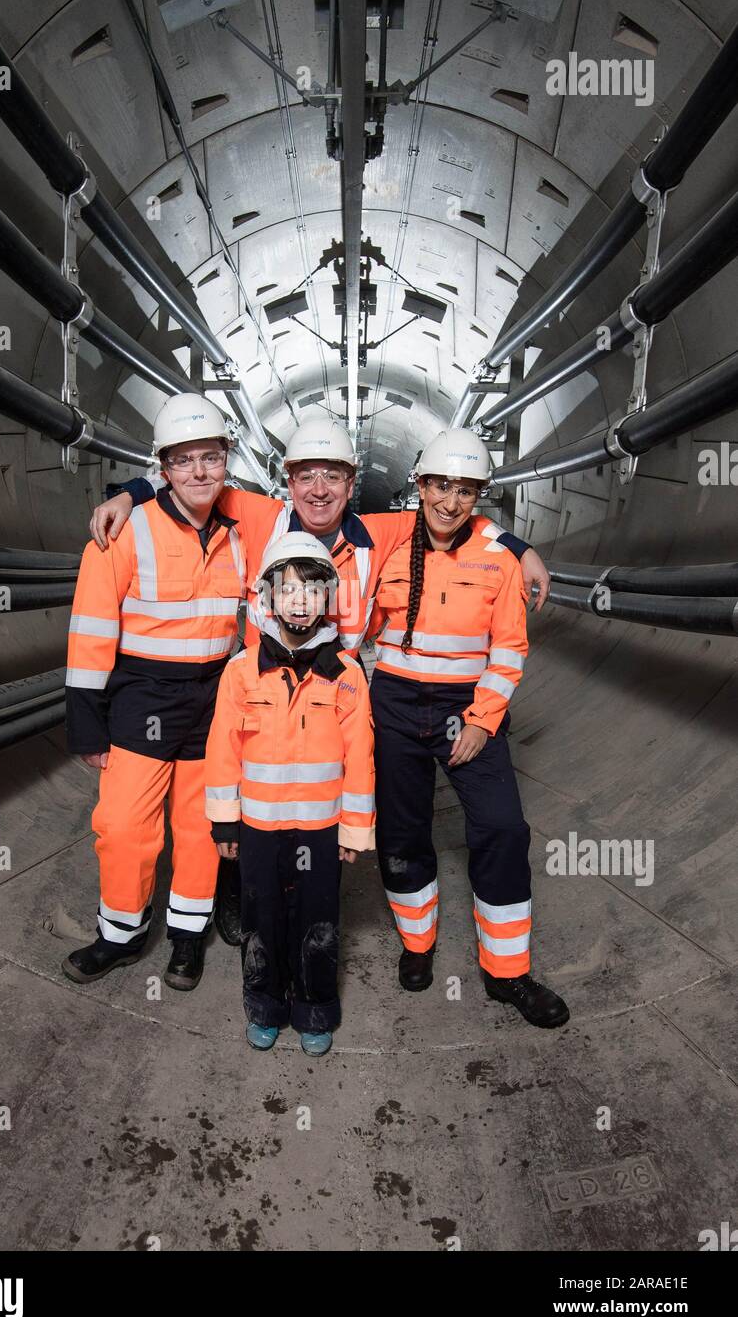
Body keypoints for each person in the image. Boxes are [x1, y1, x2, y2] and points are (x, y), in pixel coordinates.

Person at [88, 416, 551, 941]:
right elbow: (196, 480)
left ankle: (308, 903)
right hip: (262, 687)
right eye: (306, 475)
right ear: (288, 481)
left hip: (334, 692)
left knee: (313, 799)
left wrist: (518, 546)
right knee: (252, 791)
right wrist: (129, 492)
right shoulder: (262, 519)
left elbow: (451, 511)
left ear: (352, 485)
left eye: (333, 476)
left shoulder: (375, 534)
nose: (319, 489)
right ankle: (238, 884)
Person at [62, 394, 262, 992]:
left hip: (212, 699)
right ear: (163, 467)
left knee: (202, 828)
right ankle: (119, 936)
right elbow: (90, 631)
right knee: (124, 826)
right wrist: (87, 723)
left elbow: (317, 509)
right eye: (184, 461)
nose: (200, 473)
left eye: (211, 458)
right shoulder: (123, 531)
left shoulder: (240, 531)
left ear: (227, 459)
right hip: (140, 697)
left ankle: (186, 939)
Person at [369, 429, 569, 1028]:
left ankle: (508, 972)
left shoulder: (497, 555)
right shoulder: (384, 537)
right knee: (403, 832)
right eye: (440, 486)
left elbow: (509, 648)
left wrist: (483, 720)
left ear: (478, 495)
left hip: (467, 704)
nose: (451, 502)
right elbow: (311, 513)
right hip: (395, 704)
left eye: (466, 490)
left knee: (503, 827)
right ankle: (417, 945)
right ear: (420, 486)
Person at [204, 532, 376, 1055]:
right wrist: (224, 821)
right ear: (267, 598)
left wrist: (355, 830)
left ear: (330, 600)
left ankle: (315, 1010)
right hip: (258, 828)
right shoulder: (240, 671)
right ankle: (264, 1007)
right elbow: (222, 750)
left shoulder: (346, 675)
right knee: (262, 921)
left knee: (317, 922)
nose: (299, 601)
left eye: (312, 590)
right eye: (287, 589)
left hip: (321, 831)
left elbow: (360, 758)